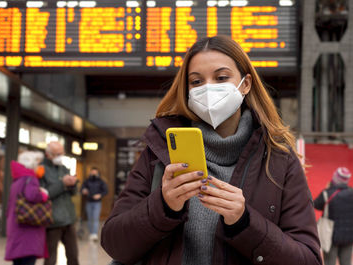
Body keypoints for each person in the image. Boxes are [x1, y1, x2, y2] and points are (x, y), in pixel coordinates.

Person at [101, 35, 322, 265]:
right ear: (187, 90)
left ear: (245, 84)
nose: (208, 89)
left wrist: (245, 222)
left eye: (222, 77)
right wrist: (162, 206)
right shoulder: (159, 150)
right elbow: (114, 243)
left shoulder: (278, 159)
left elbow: (309, 259)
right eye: (196, 82)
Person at [5, 151, 49, 265]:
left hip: (16, 226)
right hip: (28, 230)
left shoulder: (18, 179)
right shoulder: (31, 179)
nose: (39, 167)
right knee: (28, 261)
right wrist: (44, 194)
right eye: (38, 163)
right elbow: (32, 195)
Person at [40, 141, 79, 265]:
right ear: (48, 155)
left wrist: (73, 184)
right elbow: (43, 194)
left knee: (73, 255)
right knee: (50, 258)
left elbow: (73, 193)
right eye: (57, 154)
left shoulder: (64, 168)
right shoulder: (41, 170)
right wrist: (62, 183)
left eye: (62, 153)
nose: (60, 156)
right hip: (52, 220)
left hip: (69, 218)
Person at [314, 167, 353, 265]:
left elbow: (316, 205)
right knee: (346, 263)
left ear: (335, 178)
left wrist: (328, 188)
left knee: (330, 262)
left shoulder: (327, 193)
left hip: (331, 235)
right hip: (349, 235)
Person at [81, 167, 108, 241]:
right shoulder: (87, 181)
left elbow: (105, 191)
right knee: (89, 219)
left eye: (95, 172)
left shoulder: (101, 181)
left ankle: (94, 234)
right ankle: (91, 233)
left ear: (97, 173)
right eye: (92, 172)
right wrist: (84, 190)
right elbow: (82, 188)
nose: (93, 173)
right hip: (89, 202)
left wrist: (100, 195)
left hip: (97, 203)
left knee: (95, 218)